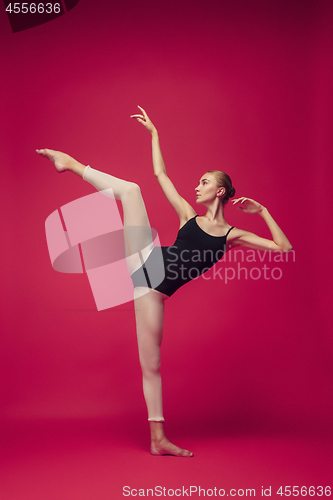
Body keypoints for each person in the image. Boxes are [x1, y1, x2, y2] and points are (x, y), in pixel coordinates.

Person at [36, 106, 292, 457]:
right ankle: (71, 163)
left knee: (152, 366)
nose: (197, 186)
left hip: (153, 292)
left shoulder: (232, 235)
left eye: (204, 182)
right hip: (146, 261)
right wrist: (155, 134)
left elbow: (283, 247)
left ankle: (158, 440)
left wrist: (262, 212)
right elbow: (160, 174)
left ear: (221, 192)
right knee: (132, 190)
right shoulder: (188, 215)